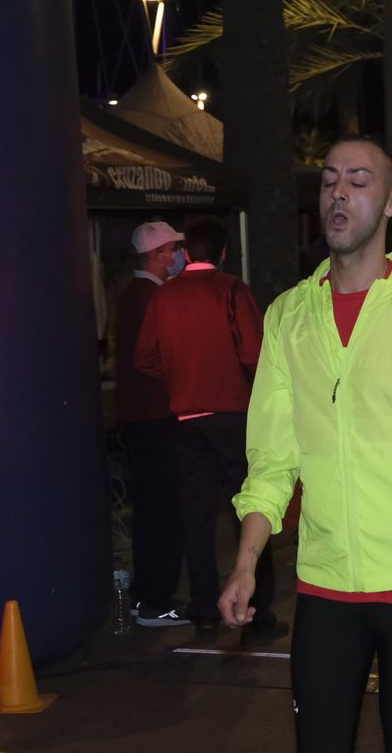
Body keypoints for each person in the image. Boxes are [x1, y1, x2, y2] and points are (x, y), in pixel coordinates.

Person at [220, 137, 392, 752]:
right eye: (328, 181)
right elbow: (271, 460)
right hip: (325, 586)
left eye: (358, 180)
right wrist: (246, 562)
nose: (338, 193)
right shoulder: (289, 317)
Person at [135, 216, 277, 634]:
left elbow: (144, 358)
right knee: (250, 506)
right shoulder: (231, 289)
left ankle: (202, 604)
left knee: (195, 512)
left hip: (187, 419)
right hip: (233, 415)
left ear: (185, 253)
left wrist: (180, 375)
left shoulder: (165, 296)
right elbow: (255, 354)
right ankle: (256, 606)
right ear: (225, 252)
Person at [115, 221, 190, 627]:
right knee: (162, 510)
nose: (179, 255)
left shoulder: (136, 295)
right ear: (158, 254)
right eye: (174, 248)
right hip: (156, 419)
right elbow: (157, 359)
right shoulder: (150, 298)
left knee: (151, 509)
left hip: (142, 420)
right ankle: (155, 599)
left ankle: (149, 597)